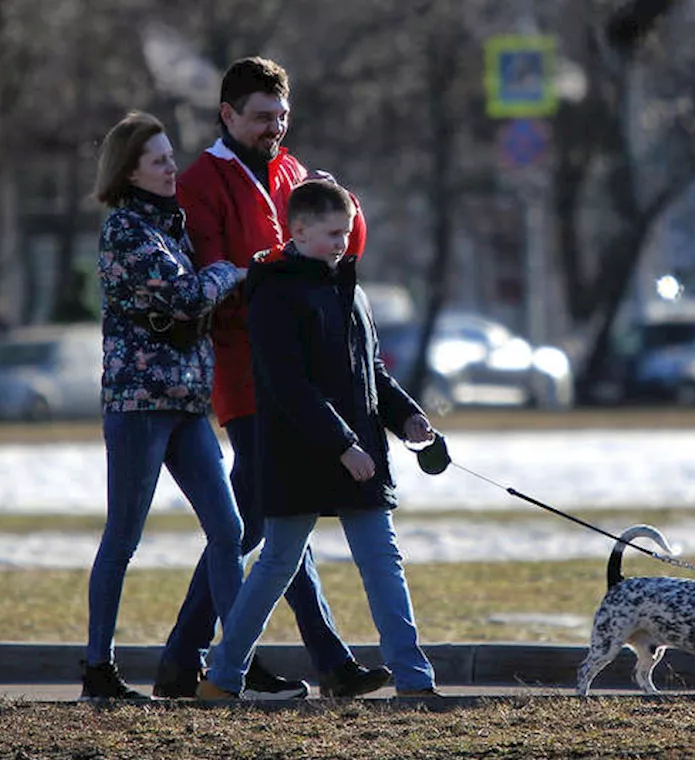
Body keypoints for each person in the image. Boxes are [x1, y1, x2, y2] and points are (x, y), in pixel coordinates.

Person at [155, 56, 389, 700]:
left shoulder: (293, 173)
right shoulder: (203, 182)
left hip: (304, 382)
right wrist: (269, 270)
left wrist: (347, 204)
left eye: (281, 117)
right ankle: (196, 658)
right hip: (247, 373)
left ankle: (206, 662)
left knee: (274, 521)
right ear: (227, 115)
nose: (274, 129)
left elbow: (342, 251)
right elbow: (213, 275)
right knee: (261, 523)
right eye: (261, 118)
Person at [196, 179, 439, 700]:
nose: (342, 243)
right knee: (277, 562)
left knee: (382, 559)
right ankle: (222, 676)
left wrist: (408, 418)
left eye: (347, 233)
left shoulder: (350, 290)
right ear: (297, 230)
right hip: (299, 455)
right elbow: (288, 385)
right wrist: (341, 444)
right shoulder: (276, 292)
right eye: (332, 233)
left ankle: (415, 681)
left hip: (359, 455)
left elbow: (371, 372)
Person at [82, 111, 247, 700]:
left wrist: (213, 277)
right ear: (129, 171)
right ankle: (98, 668)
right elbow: (184, 295)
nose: (171, 166)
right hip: (139, 404)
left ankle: (232, 669)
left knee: (229, 530)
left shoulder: (172, 225)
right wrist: (230, 269)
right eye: (158, 159)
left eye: (172, 155)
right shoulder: (127, 230)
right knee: (124, 536)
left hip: (187, 403)